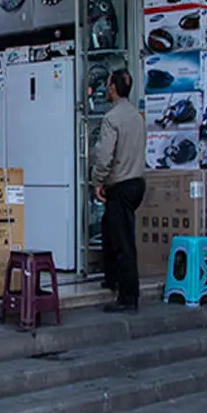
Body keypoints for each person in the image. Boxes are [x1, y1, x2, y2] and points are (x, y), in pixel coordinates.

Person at [90, 68, 148, 313]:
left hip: (121, 184)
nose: (105, 89)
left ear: (112, 88)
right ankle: (111, 278)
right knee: (109, 228)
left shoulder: (112, 119)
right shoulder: (136, 116)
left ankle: (128, 296)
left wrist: (97, 181)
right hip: (136, 183)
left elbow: (104, 156)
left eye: (108, 85)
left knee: (123, 240)